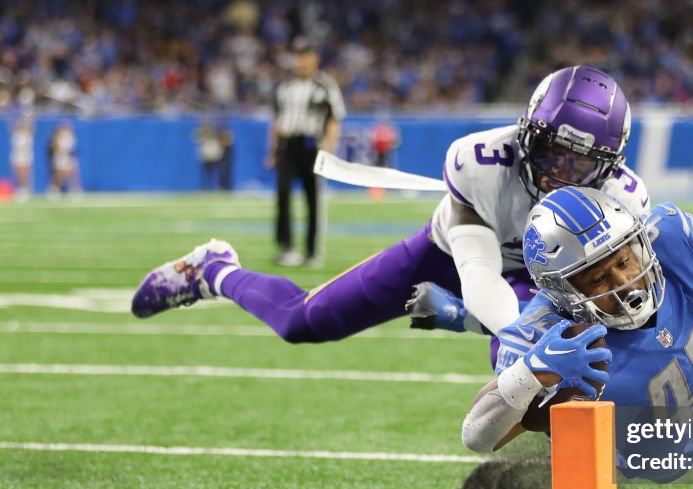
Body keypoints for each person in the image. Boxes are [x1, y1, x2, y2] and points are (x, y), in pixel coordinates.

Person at [131, 66, 648, 366]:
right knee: (303, 322)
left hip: (547, 277)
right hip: (451, 258)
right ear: (526, 132)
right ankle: (213, 270)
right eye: (551, 152)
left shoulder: (624, 200)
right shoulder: (481, 163)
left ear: (607, 167)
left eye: (578, 162)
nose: (560, 172)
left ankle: (581, 475)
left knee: (561, 353)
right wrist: (511, 330)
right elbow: (479, 275)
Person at [459, 186, 693, 466]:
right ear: (563, 292)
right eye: (598, 278)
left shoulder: (668, 238)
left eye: (624, 260)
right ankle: (462, 315)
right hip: (622, 464)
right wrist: (533, 371)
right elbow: (477, 435)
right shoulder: (544, 327)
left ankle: (459, 316)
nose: (627, 281)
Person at [266, 36, 344, 268]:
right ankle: (287, 248)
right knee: (282, 195)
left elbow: (333, 120)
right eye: (297, 56)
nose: (300, 61)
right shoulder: (285, 86)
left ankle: (312, 251)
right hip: (288, 146)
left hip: (312, 147)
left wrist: (329, 151)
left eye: (305, 56)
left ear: (314, 58)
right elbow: (277, 120)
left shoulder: (325, 86)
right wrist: (273, 150)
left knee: (313, 199)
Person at [9, 117, 33, 201]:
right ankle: (19, 189)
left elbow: (32, 124)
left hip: (26, 155)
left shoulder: (28, 134)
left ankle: (26, 189)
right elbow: (11, 125)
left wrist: (27, 116)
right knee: (18, 173)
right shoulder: (15, 134)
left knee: (25, 173)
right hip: (17, 155)